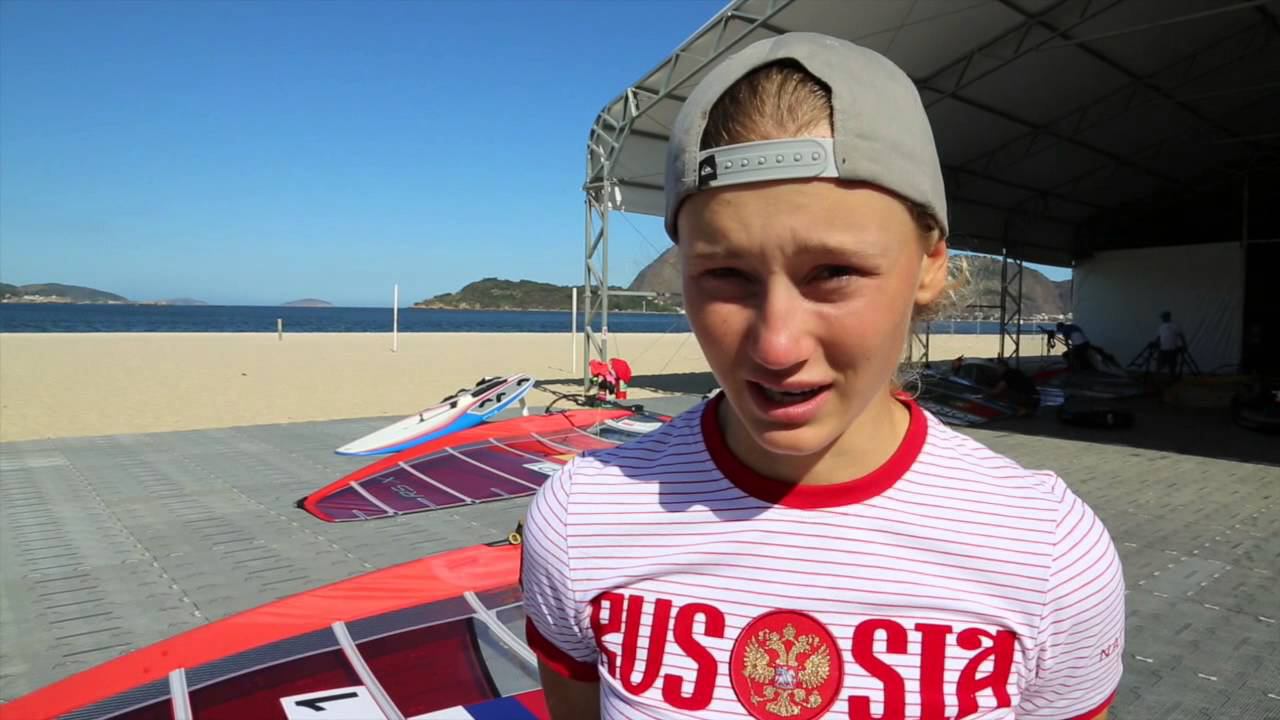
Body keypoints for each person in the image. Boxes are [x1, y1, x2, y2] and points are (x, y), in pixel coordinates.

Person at [522, 33, 1123, 719]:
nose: (776, 345)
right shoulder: (583, 521)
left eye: (834, 272)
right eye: (725, 274)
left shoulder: (1046, 553)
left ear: (930, 266)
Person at [1156, 310, 1185, 381]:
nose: (1162, 318)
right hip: (1163, 349)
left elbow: (1181, 336)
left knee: (1172, 366)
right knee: (1159, 365)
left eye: (1164, 317)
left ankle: (1172, 379)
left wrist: (1184, 345)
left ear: (1168, 317)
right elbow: (1159, 337)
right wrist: (1156, 343)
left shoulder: (1175, 325)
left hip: (1172, 349)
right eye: (1162, 317)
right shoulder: (1161, 327)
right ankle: (1157, 379)